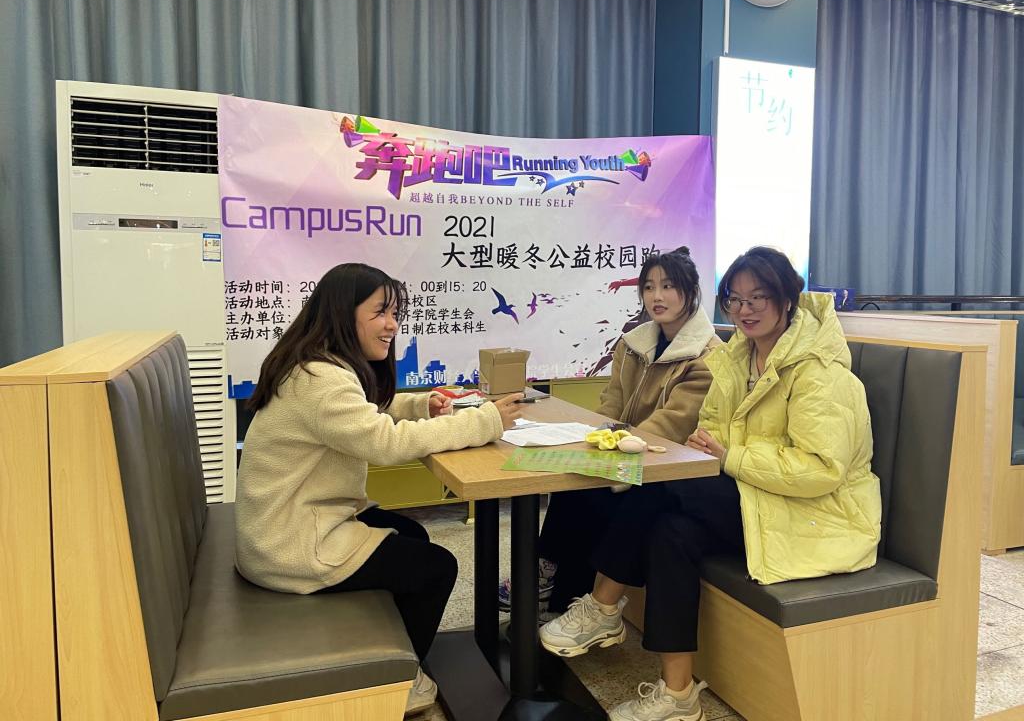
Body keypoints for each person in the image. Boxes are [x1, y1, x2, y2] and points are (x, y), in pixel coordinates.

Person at [539, 246, 881, 721]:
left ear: (787, 298)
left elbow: (821, 469)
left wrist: (729, 455)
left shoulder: (820, 373)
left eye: (758, 297)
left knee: (657, 485)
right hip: (754, 496)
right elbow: (710, 430)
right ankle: (678, 696)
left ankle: (603, 605)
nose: (745, 309)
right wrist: (718, 450)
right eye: (735, 299)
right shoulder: (737, 359)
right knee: (669, 533)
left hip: (813, 515)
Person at [235, 262, 524, 716]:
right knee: (437, 568)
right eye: (381, 312)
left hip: (286, 525)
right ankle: (394, 681)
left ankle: (389, 651)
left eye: (395, 313)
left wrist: (421, 404)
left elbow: (364, 413)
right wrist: (484, 420)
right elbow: (384, 442)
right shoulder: (321, 379)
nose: (392, 325)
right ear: (342, 312)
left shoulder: (315, 365)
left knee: (413, 536)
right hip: (290, 544)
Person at [499, 246, 720, 616]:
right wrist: (594, 440)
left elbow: (673, 422)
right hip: (625, 451)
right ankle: (549, 575)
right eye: (648, 287)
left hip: (663, 464)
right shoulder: (633, 342)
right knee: (573, 475)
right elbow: (611, 401)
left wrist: (616, 451)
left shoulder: (708, 356)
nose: (657, 296)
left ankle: (556, 585)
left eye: (668, 286)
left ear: (691, 291)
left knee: (592, 492)